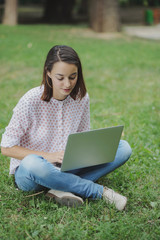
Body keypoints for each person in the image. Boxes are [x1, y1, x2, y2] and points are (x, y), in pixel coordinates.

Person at [1, 45, 132, 211]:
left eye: (73, 76)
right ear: (48, 72)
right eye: (60, 77)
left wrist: (96, 147)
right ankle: (98, 192)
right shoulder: (30, 101)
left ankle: (59, 187)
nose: (67, 84)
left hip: (67, 164)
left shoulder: (81, 98)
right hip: (32, 172)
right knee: (33, 163)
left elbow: (83, 137)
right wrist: (48, 156)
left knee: (123, 148)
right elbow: (6, 147)